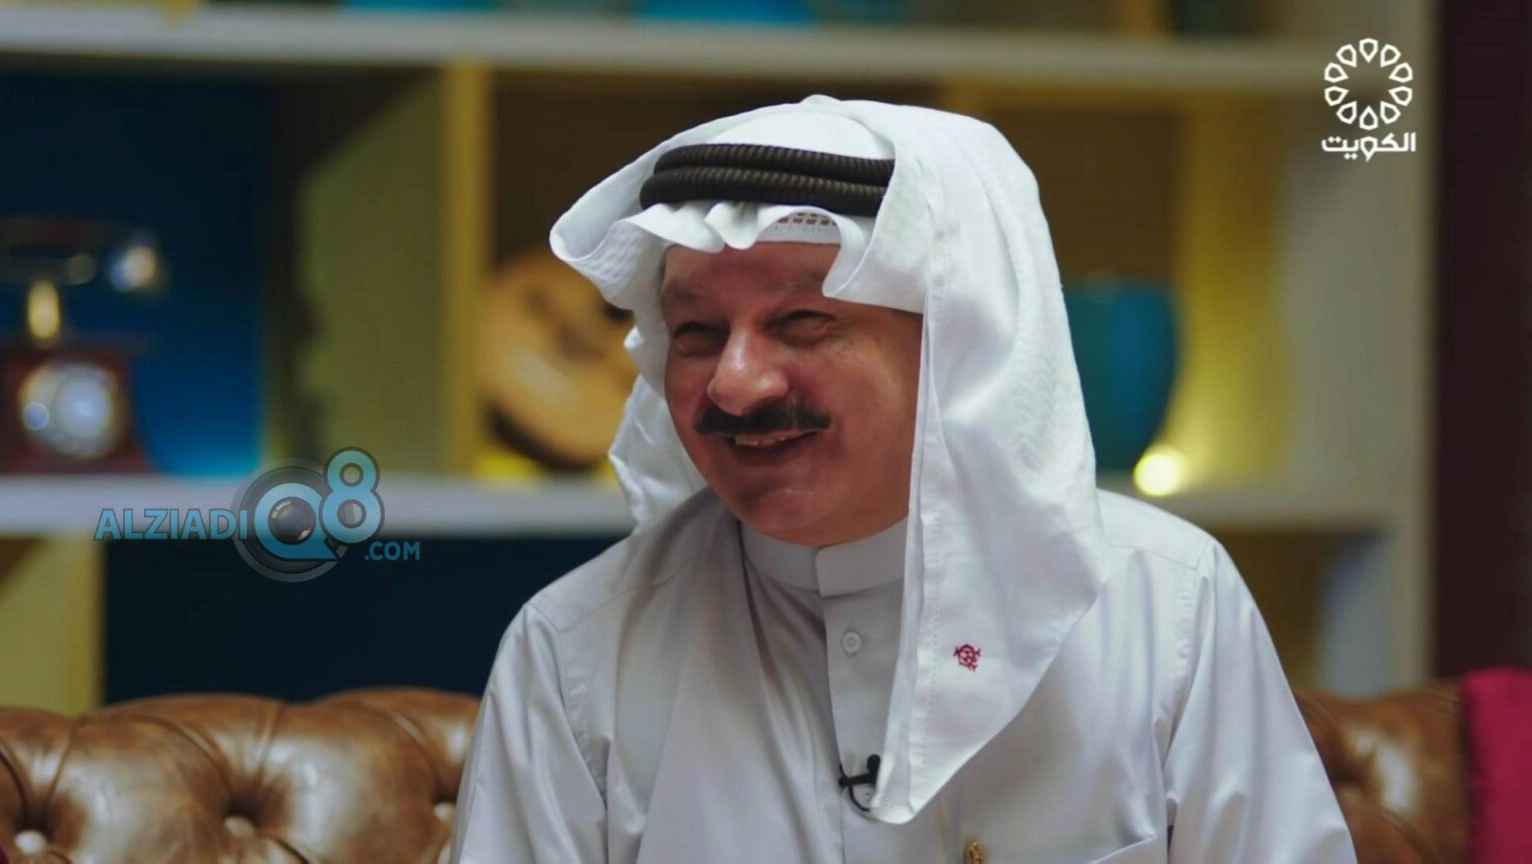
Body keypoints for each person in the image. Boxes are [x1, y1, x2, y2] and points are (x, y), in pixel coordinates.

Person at [449, 96, 1356, 863]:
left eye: (802, 322)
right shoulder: (574, 653)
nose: (735, 383)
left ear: (958, 347)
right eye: (697, 333)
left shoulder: (1168, 609)